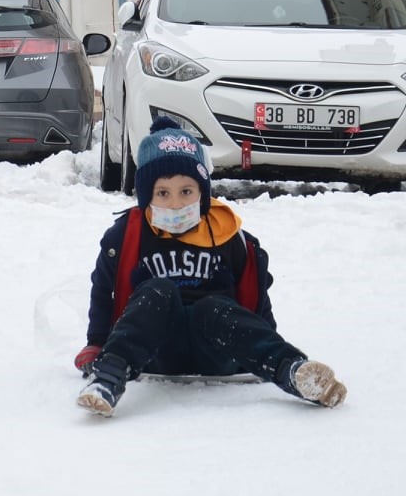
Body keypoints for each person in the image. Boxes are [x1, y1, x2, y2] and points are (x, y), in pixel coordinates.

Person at [73, 116, 347, 417]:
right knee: (158, 291)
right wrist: (96, 342)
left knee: (213, 306)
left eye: (186, 191)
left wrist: (263, 338)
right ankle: (108, 379)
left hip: (218, 348)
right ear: (146, 196)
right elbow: (103, 289)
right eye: (163, 193)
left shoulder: (230, 235)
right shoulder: (127, 236)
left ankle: (293, 371)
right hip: (154, 349)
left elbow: (254, 296)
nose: (176, 203)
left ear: (203, 193)